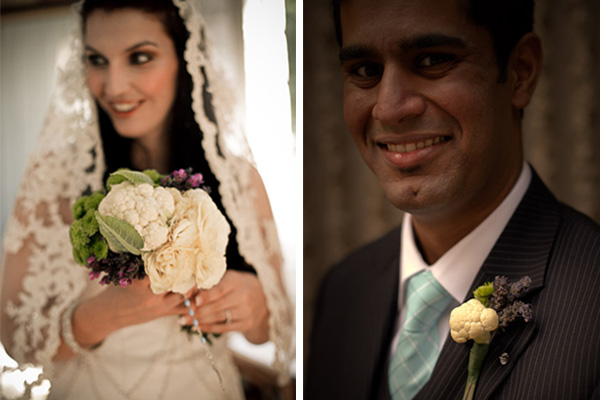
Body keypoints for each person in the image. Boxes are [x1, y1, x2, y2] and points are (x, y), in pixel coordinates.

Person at [306, 0, 600, 399]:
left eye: (432, 60)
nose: (390, 109)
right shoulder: (343, 289)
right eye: (365, 70)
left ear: (520, 72)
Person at [0, 0, 293, 399]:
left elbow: (276, 329)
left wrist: (254, 303)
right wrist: (103, 315)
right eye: (97, 60)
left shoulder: (238, 178)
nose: (114, 86)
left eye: (140, 57)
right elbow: (17, 337)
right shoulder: (55, 180)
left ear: (184, 58)